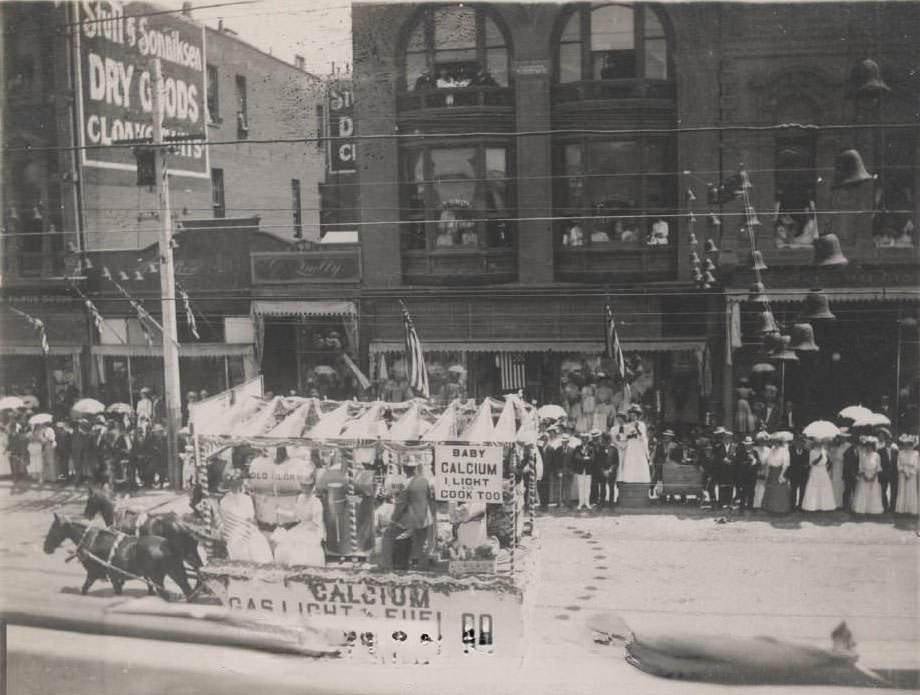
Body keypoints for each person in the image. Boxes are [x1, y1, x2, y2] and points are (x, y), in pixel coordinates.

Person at [219, 470, 274, 563]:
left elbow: (249, 518)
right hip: (236, 531)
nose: (235, 488)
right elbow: (230, 520)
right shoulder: (227, 501)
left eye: (235, 485)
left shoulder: (242, 499)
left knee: (255, 540)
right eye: (233, 486)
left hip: (241, 530)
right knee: (247, 541)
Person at [389, 459, 435, 570]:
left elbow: (400, 504)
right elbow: (429, 498)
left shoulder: (405, 484)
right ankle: (423, 567)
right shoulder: (424, 480)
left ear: (405, 469)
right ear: (415, 468)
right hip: (425, 516)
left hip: (412, 517)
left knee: (404, 542)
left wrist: (393, 520)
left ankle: (404, 566)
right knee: (423, 544)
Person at [273, 474, 326, 567]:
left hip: (312, 530)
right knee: (286, 541)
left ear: (312, 487)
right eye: (303, 486)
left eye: (308, 486)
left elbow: (316, 523)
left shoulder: (316, 502)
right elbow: (296, 515)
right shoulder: (300, 498)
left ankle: (304, 565)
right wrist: (281, 510)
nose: (305, 489)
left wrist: (303, 530)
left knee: (301, 543)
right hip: (301, 527)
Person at [618, 404, 650, 485]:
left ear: (637, 416)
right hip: (631, 446)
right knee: (630, 462)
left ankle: (640, 480)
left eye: (634, 415)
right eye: (631, 415)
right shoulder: (627, 425)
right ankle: (630, 480)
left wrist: (637, 428)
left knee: (639, 462)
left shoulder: (641, 424)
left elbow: (643, 437)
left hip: (638, 446)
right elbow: (624, 437)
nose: (633, 417)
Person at [851, 437, 884, 515]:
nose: (868, 448)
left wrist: (873, 476)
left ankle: (872, 509)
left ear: (873, 447)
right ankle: (862, 508)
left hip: (874, 476)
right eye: (867, 446)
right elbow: (860, 467)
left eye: (870, 446)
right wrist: (864, 475)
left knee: (873, 492)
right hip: (864, 476)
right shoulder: (862, 455)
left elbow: (878, 467)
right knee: (863, 492)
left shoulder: (877, 455)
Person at [801, 441, 836, 512]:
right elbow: (812, 463)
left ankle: (825, 506)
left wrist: (828, 465)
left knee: (825, 488)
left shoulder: (824, 451)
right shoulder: (812, 452)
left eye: (821, 443)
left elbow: (828, 461)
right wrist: (819, 458)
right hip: (815, 470)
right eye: (818, 443)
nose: (820, 445)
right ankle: (812, 506)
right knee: (814, 487)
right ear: (815, 444)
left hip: (823, 471)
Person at [761, 433, 792, 514]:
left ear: (780, 442)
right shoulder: (772, 450)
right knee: (771, 491)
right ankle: (770, 508)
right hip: (772, 472)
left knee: (779, 491)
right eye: (774, 442)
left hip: (779, 472)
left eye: (777, 442)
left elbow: (786, 464)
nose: (775, 444)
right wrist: (767, 473)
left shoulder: (784, 451)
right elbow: (768, 462)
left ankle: (780, 509)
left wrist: (781, 475)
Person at [894, 434, 918, 516]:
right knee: (902, 491)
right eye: (905, 444)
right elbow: (899, 464)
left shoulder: (916, 454)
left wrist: (910, 473)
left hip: (912, 474)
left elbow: (917, 465)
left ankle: (911, 510)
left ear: (912, 444)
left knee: (911, 491)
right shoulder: (900, 453)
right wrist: (904, 471)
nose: (907, 446)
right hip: (902, 474)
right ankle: (901, 510)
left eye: (909, 444)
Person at [573, 431, 596, 510]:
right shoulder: (577, 448)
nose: (584, 440)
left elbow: (593, 458)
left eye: (586, 439)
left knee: (587, 487)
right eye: (582, 439)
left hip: (588, 470)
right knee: (581, 486)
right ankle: (580, 502)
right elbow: (576, 457)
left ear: (588, 440)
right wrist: (585, 458)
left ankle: (587, 502)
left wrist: (586, 459)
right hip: (580, 470)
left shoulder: (591, 448)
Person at [734, 436, 759, 510]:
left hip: (752, 475)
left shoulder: (755, 452)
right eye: (747, 444)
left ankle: (750, 506)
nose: (748, 446)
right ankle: (742, 507)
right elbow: (739, 464)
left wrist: (755, 461)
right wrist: (749, 461)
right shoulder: (740, 452)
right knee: (743, 492)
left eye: (750, 444)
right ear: (744, 445)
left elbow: (759, 462)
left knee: (751, 491)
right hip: (743, 475)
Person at [787, 434, 810, 510]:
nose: (800, 443)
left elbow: (808, 462)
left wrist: (806, 466)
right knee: (793, 490)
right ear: (795, 442)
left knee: (802, 490)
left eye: (802, 442)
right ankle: (792, 505)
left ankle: (801, 505)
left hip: (803, 474)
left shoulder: (806, 451)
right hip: (793, 473)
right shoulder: (790, 450)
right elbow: (788, 462)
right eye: (798, 441)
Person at [877, 429, 897, 512]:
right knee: (883, 491)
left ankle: (892, 507)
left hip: (893, 474)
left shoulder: (895, 451)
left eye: (890, 440)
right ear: (885, 441)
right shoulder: (880, 451)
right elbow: (878, 463)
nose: (888, 442)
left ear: (891, 441)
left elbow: (896, 463)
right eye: (887, 440)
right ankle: (884, 507)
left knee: (893, 491)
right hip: (884, 474)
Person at [828, 431, 849, 509]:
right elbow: (831, 457)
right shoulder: (837, 446)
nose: (842, 439)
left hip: (843, 466)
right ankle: (834, 502)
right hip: (835, 467)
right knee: (835, 483)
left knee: (842, 484)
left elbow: (848, 457)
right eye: (841, 437)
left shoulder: (848, 446)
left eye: (844, 437)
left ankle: (841, 502)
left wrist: (839, 458)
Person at [752, 430, 771, 509]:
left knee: (764, 487)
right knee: (756, 487)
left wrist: (766, 467)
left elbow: (770, 460)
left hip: (766, 469)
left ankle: (763, 504)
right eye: (761, 441)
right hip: (756, 469)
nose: (763, 443)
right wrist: (759, 465)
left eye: (765, 441)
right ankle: (755, 504)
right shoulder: (755, 449)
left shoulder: (768, 450)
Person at [842, 433, 860, 511]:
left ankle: (852, 505)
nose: (855, 444)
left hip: (855, 473)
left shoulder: (857, 451)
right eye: (854, 443)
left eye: (857, 443)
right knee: (848, 490)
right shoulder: (848, 451)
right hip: (848, 474)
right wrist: (853, 474)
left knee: (854, 490)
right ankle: (845, 505)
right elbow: (849, 464)